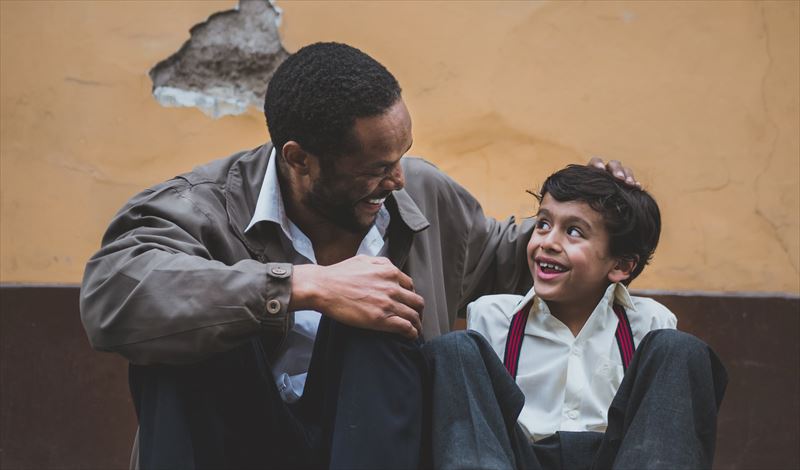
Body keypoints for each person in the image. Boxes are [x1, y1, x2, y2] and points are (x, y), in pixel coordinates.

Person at [80, 42, 639, 469]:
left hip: (378, 443)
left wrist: (592, 222)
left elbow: (506, 257)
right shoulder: (198, 207)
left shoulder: (420, 193)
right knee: (192, 338)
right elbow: (114, 294)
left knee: (384, 317)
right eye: (375, 168)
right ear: (300, 159)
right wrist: (303, 286)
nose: (397, 180)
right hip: (235, 440)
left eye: (403, 156)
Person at [424, 165, 727, 469]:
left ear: (620, 265)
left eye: (573, 232)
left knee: (680, 350)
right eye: (543, 224)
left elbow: (656, 428)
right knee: (454, 349)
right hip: (514, 460)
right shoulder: (493, 316)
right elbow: (481, 428)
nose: (548, 242)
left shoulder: (648, 324)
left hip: (619, 460)